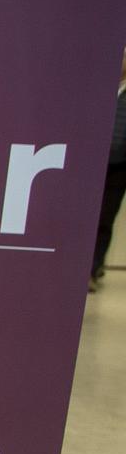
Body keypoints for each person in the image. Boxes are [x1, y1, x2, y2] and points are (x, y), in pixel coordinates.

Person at [91, 54, 126, 293]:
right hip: (92, 163)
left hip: (120, 166)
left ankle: (92, 269)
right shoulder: (99, 86)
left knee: (105, 218)